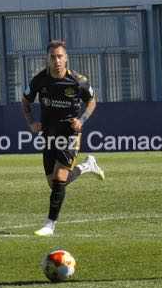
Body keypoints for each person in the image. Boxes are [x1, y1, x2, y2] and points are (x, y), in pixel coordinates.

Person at [22, 39, 105, 237]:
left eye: (60, 56)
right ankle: (87, 166)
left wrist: (81, 120)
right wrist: (31, 122)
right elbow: (25, 101)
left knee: (60, 178)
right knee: (54, 184)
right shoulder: (39, 80)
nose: (57, 61)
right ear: (47, 59)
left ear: (66, 58)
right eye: (53, 57)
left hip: (70, 134)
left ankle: (50, 224)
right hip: (49, 135)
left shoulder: (78, 81)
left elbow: (92, 101)